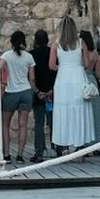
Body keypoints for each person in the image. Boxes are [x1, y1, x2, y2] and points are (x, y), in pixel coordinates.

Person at [49, 17, 98, 154]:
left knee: (63, 110)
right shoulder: (81, 42)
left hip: (63, 78)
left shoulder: (55, 44)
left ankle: (63, 145)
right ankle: (79, 144)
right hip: (78, 76)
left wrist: (63, 66)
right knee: (79, 110)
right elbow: (87, 64)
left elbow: (51, 65)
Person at [0, 30, 37, 161]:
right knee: (23, 125)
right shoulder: (29, 57)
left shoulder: (6, 56)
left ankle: (6, 154)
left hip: (10, 92)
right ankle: (20, 155)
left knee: (5, 124)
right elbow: (32, 78)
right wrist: (35, 91)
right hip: (25, 91)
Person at [30, 29, 56, 158]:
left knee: (39, 123)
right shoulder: (52, 53)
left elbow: (31, 77)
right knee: (54, 122)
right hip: (52, 92)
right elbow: (56, 72)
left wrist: (38, 91)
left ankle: (38, 151)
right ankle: (58, 148)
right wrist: (52, 90)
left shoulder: (31, 55)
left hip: (38, 93)